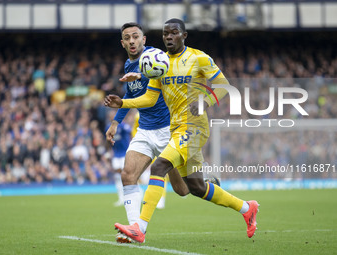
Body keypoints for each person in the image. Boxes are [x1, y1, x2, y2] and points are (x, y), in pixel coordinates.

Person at [104, 18, 259, 243]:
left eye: (173, 33)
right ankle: (247, 208)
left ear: (183, 36)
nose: (168, 37)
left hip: (194, 127)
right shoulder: (162, 63)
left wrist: (205, 101)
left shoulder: (198, 57)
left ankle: (140, 228)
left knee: (159, 166)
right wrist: (123, 104)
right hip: (174, 128)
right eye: (165, 33)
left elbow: (225, 85)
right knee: (192, 188)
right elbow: (149, 97)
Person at [105, 22, 190, 242]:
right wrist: (115, 122)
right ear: (122, 43)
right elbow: (130, 94)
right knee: (128, 174)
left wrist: (141, 77)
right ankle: (135, 229)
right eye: (127, 37)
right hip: (144, 129)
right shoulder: (128, 64)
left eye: (136, 36)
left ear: (144, 40)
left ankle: (206, 183)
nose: (132, 41)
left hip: (167, 130)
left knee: (182, 189)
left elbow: (167, 72)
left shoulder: (155, 55)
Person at [106, 110, 132, 206]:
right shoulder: (108, 127)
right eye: (110, 116)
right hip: (116, 155)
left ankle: (135, 193)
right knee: (118, 177)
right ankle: (121, 198)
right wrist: (108, 152)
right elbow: (107, 140)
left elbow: (130, 134)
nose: (111, 117)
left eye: (113, 115)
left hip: (125, 154)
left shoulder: (123, 126)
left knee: (127, 175)